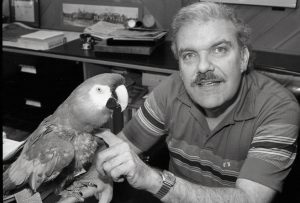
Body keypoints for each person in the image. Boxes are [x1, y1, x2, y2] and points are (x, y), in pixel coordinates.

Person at [61, 2, 299, 203]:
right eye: (189, 55)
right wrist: (95, 178)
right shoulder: (171, 89)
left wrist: (153, 180)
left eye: (219, 50)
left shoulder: (278, 108)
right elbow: (124, 145)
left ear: (243, 58)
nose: (203, 67)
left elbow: (250, 199)